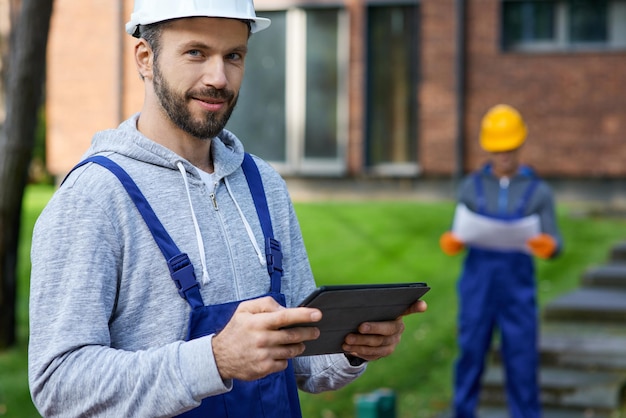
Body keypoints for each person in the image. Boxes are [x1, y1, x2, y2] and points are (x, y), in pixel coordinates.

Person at [27, 2, 427, 417]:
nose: (218, 78)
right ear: (146, 58)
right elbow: (59, 385)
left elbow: (303, 362)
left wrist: (351, 346)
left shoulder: (264, 184)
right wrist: (215, 360)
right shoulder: (94, 198)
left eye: (233, 55)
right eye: (196, 53)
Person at [439, 104, 562, 418]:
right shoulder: (470, 186)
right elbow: (459, 228)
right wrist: (453, 241)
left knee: (522, 361)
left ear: (520, 145)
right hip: (477, 286)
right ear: (487, 148)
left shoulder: (539, 191)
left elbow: (555, 240)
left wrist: (549, 246)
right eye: (497, 149)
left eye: (509, 149)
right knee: (470, 355)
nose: (504, 156)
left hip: (517, 291)